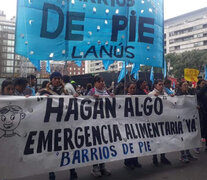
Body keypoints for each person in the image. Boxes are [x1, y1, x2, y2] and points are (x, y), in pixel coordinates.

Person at [39, 72, 77, 180]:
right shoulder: (44, 92)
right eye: (54, 78)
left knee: (69, 148)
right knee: (52, 149)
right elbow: (34, 102)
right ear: (51, 80)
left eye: (58, 78)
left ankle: (72, 171)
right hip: (51, 125)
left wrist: (76, 97)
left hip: (65, 124)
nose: (56, 80)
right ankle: (52, 173)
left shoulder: (66, 91)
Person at [87, 75, 111, 177]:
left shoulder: (106, 92)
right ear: (95, 83)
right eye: (100, 81)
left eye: (103, 81)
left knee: (103, 146)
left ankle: (102, 166)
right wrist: (92, 98)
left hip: (104, 123)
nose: (102, 83)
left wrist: (112, 97)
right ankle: (95, 168)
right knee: (95, 146)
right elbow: (84, 102)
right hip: (94, 123)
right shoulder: (92, 92)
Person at [148, 80, 171, 166]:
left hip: (164, 120)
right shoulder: (151, 94)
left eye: (162, 85)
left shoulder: (165, 94)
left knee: (164, 139)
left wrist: (172, 97)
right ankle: (155, 158)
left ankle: (163, 157)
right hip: (154, 121)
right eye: (159, 85)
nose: (161, 86)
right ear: (155, 85)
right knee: (156, 140)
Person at [176, 81, 197, 163]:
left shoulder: (189, 94)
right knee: (182, 137)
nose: (186, 86)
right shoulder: (177, 95)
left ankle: (188, 153)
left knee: (188, 136)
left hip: (188, 119)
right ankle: (182, 155)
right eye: (184, 85)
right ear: (180, 87)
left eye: (187, 85)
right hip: (180, 119)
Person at [124, 82, 142, 169]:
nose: (132, 90)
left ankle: (135, 161)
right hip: (127, 125)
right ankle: (128, 162)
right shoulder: (123, 98)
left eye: (134, 88)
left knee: (136, 143)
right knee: (129, 144)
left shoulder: (138, 98)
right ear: (127, 89)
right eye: (130, 88)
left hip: (136, 124)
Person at [197, 80, 207, 151]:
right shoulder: (197, 91)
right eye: (203, 83)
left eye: (205, 83)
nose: (204, 85)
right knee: (200, 129)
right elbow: (199, 95)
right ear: (199, 85)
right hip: (201, 113)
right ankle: (196, 146)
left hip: (205, 112)